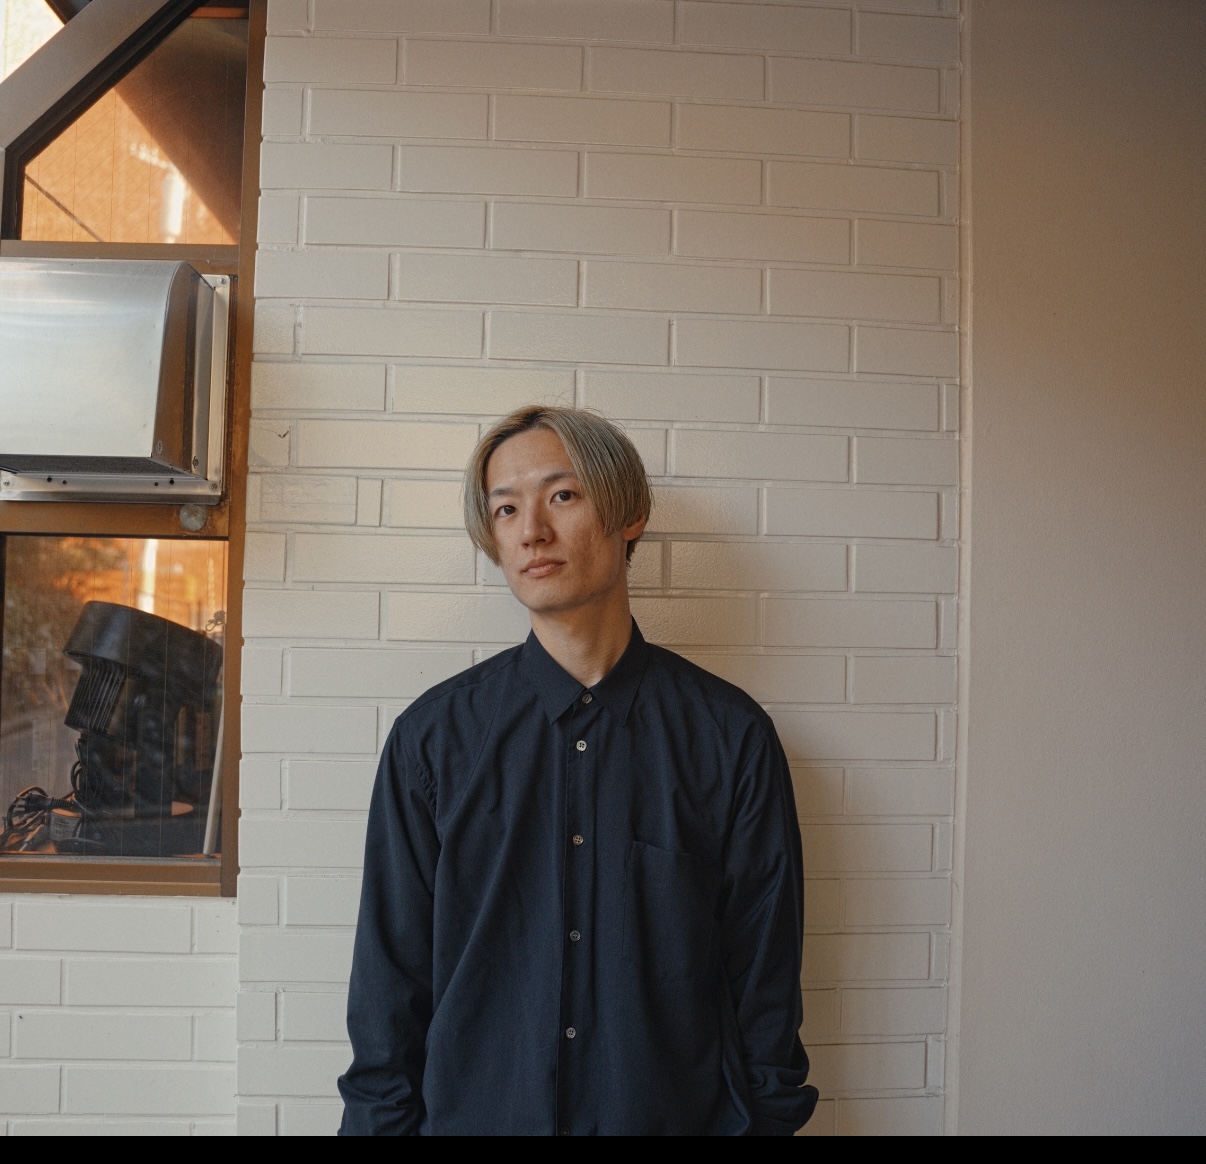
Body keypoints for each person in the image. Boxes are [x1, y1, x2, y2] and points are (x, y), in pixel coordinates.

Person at [338, 405, 818, 1136]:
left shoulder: (729, 738)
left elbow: (766, 986)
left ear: (629, 514)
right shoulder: (433, 741)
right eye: (506, 508)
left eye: (562, 495)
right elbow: (389, 982)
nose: (531, 530)